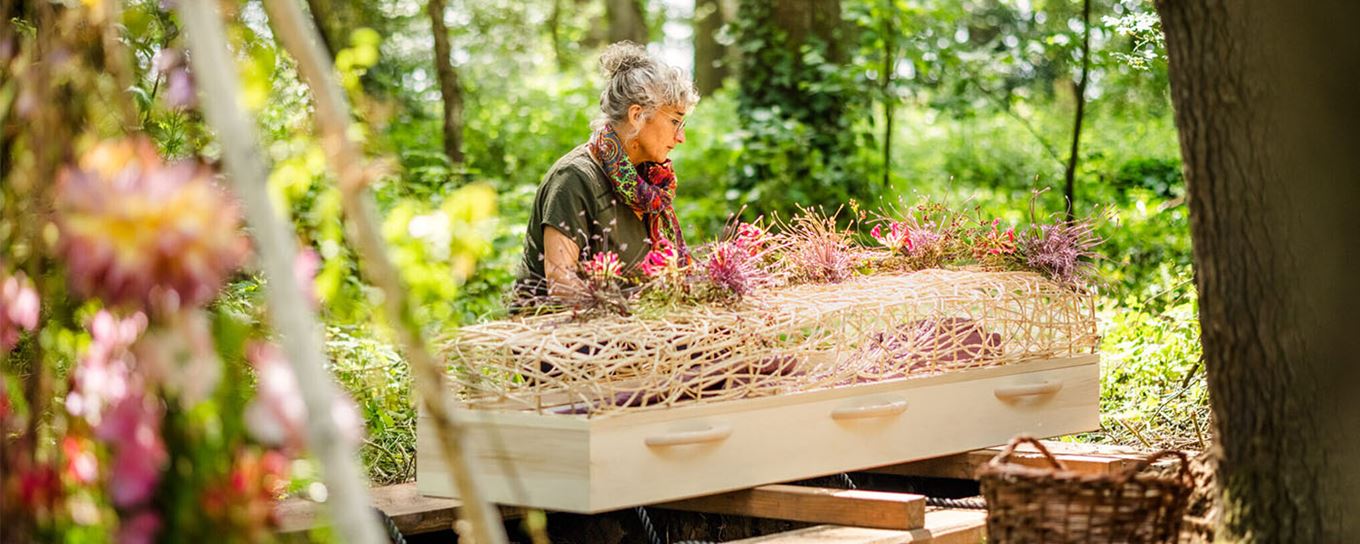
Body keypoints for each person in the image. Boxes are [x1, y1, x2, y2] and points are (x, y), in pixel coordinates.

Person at [514, 42, 700, 302]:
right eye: (674, 121)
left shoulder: (647, 185)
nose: (680, 137)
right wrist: (635, 319)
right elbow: (562, 284)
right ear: (637, 115)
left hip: (632, 334)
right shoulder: (574, 178)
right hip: (564, 336)